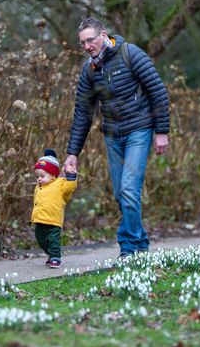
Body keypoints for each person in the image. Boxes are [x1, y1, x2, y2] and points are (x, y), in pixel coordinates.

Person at [64, 17, 170, 260]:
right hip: (113, 135)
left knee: (130, 190)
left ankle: (129, 249)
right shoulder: (89, 71)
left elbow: (158, 90)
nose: (87, 46)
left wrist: (161, 132)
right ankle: (140, 243)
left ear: (104, 35)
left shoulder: (130, 53)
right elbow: (83, 113)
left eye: (90, 40)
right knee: (120, 194)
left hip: (139, 130)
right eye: (83, 43)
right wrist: (73, 153)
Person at [31, 149, 77, 268]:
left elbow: (69, 188)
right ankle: (51, 255)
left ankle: (56, 257)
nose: (39, 179)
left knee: (53, 240)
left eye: (42, 176)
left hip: (53, 220)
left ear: (52, 175)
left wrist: (71, 175)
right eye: (37, 176)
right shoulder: (39, 187)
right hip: (40, 219)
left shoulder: (60, 184)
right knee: (40, 239)